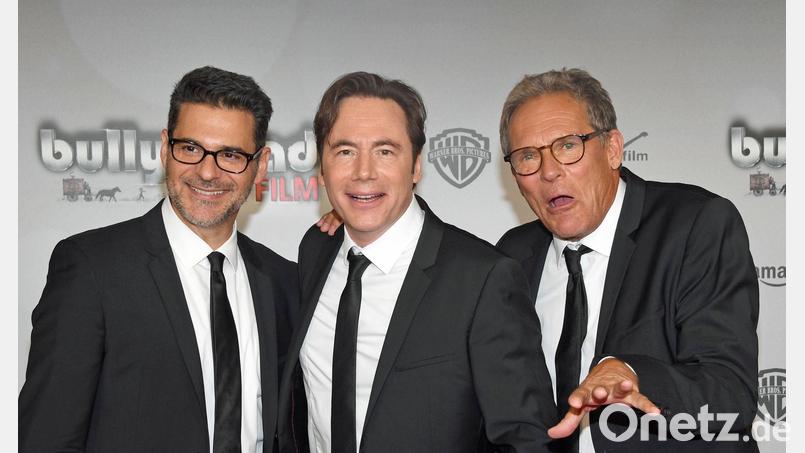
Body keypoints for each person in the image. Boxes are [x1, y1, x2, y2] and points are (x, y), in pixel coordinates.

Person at [19, 66, 298, 453]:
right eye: (190, 148)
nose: (207, 171)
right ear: (165, 147)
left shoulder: (285, 282)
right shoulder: (91, 269)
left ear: (261, 165)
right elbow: (47, 437)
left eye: (230, 154)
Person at [277, 71, 557, 453]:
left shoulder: (483, 278)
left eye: (385, 151)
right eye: (344, 151)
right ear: (322, 169)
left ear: (416, 167)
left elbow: (527, 440)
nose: (363, 172)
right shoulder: (316, 249)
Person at [495, 68, 759, 452]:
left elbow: (730, 393)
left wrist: (633, 374)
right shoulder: (511, 256)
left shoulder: (695, 225)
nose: (549, 171)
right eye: (527, 157)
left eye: (568, 145)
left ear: (613, 149)